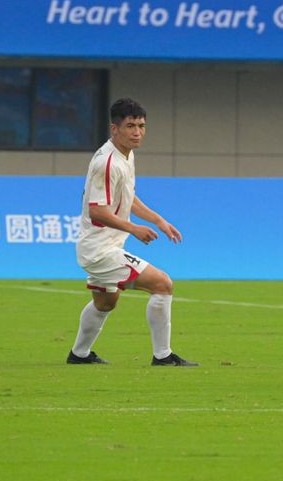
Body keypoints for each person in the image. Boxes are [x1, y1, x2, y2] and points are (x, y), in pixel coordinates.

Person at [67, 98, 196, 368]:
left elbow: (128, 198)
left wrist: (159, 220)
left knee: (106, 302)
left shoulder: (126, 156)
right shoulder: (107, 163)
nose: (137, 132)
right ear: (115, 129)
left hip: (104, 248)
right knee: (163, 284)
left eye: (141, 125)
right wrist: (134, 228)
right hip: (100, 251)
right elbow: (97, 211)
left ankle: (78, 355)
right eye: (130, 126)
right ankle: (163, 356)